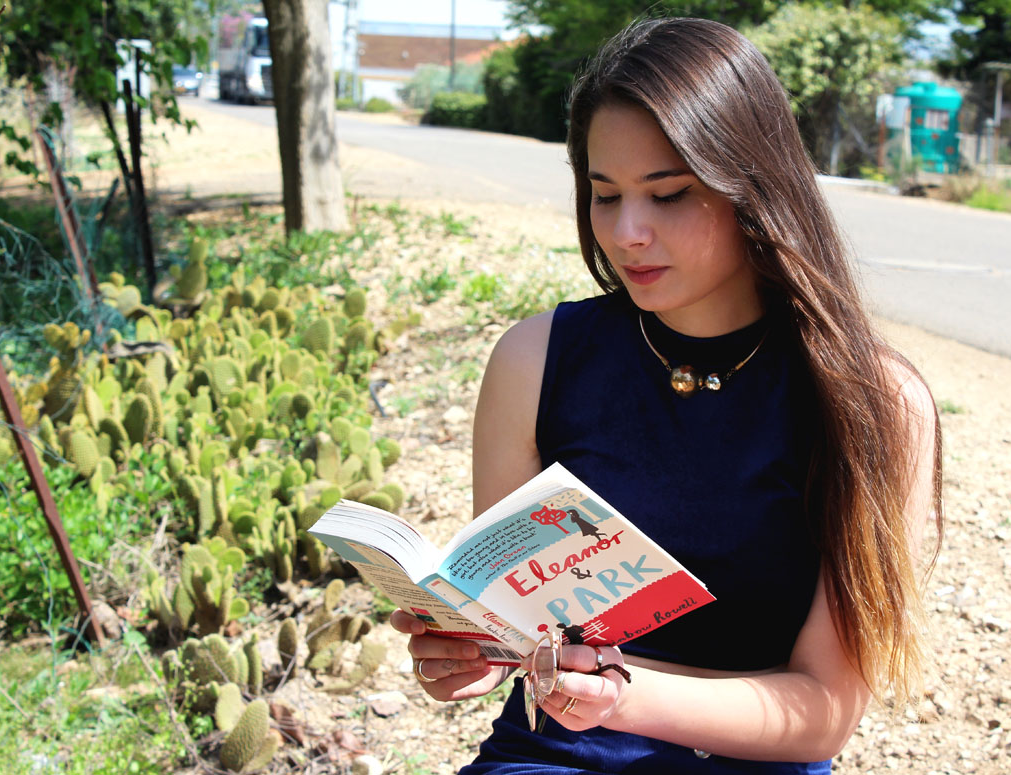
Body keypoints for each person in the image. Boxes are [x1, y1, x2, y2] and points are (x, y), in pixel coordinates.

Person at [390, 17, 942, 774]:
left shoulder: (874, 402)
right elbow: (517, 632)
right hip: (553, 754)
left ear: (754, 186)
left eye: (669, 194)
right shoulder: (534, 360)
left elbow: (822, 713)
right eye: (604, 194)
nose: (627, 232)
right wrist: (477, 657)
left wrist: (617, 693)